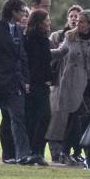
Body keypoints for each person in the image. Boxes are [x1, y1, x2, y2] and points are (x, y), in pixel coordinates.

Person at [0, 0, 39, 165]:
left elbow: (22, 57)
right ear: (13, 12)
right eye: (21, 11)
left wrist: (25, 79)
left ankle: (22, 155)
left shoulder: (19, 31)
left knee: (18, 118)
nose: (24, 14)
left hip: (14, 83)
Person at [50, 10, 90, 167]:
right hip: (71, 82)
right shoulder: (70, 36)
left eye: (82, 22)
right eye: (77, 21)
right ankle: (71, 153)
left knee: (81, 119)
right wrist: (42, 51)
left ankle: (73, 152)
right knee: (75, 116)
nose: (78, 24)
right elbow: (61, 52)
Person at [47, 5, 83, 162]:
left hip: (76, 84)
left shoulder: (84, 38)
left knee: (74, 118)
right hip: (58, 82)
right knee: (56, 116)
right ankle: (56, 150)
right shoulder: (57, 36)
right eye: (72, 16)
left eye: (78, 16)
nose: (74, 19)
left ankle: (72, 151)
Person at [23, 9, 53, 166]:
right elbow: (38, 64)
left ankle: (34, 152)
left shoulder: (30, 38)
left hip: (34, 84)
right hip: (37, 84)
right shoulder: (38, 40)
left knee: (34, 118)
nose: (49, 22)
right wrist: (47, 79)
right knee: (43, 116)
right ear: (39, 22)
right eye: (46, 20)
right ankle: (36, 152)